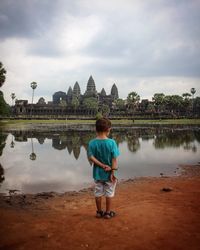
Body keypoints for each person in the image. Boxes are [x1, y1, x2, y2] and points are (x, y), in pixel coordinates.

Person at [88, 118, 120, 219]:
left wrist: (101, 165)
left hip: (97, 174)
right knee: (109, 193)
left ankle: (98, 212)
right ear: (108, 130)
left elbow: (91, 157)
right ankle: (107, 213)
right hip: (109, 174)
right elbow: (114, 160)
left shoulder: (92, 143)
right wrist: (112, 172)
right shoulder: (112, 143)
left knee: (98, 193)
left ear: (96, 129)